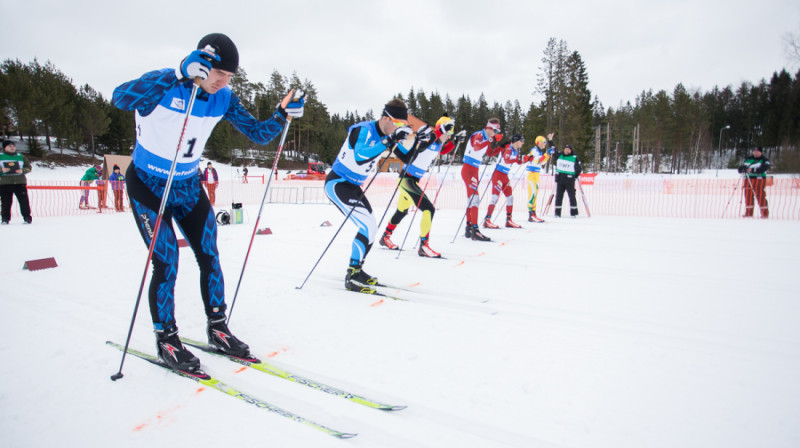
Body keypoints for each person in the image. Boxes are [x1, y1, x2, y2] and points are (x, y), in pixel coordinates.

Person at [112, 32, 305, 372]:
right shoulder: (165, 85)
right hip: (148, 185)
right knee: (167, 262)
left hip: (187, 186)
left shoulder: (223, 98)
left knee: (210, 256)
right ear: (202, 62)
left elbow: (258, 134)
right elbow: (119, 98)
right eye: (219, 74)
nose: (222, 82)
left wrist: (281, 114)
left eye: (229, 77)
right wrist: (175, 73)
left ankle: (218, 328)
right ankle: (167, 339)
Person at [325, 98, 413, 293]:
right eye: (398, 123)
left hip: (354, 186)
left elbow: (407, 158)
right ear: (385, 118)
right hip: (338, 183)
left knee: (371, 228)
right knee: (366, 225)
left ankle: (358, 270)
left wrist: (425, 140)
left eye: (403, 125)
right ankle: (352, 275)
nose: (399, 127)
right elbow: (360, 155)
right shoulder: (364, 130)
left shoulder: (389, 135)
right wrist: (389, 140)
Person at [380, 115, 459, 257]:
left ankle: (385, 237)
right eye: (448, 133)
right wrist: (440, 131)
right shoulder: (429, 138)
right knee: (428, 209)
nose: (449, 136)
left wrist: (455, 142)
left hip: (412, 180)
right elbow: (423, 145)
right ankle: (424, 246)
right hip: (406, 180)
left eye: (451, 133)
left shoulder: (438, 143)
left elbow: (442, 151)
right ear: (441, 129)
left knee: (402, 211)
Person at [461, 119, 504, 241]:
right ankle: (475, 229)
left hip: (474, 169)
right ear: (489, 128)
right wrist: (492, 140)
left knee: (471, 198)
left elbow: (490, 153)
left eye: (497, 131)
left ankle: (469, 227)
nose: (495, 133)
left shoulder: (487, 138)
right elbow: (476, 147)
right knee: (475, 198)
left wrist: (501, 147)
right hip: (468, 169)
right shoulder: (479, 135)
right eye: (495, 130)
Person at [482, 134, 526, 229]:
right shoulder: (508, 148)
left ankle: (509, 220)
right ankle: (487, 220)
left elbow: (517, 161)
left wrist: (525, 160)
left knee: (510, 197)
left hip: (505, 176)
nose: (523, 142)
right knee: (495, 197)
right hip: (498, 174)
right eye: (522, 140)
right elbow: (507, 160)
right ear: (516, 141)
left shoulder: (516, 150)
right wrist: (517, 159)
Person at [0, 140, 33, 224]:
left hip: (20, 183)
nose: (12, 148)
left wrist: (22, 170)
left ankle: (27, 218)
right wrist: (1, 170)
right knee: (6, 203)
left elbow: (29, 168)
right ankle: (5, 219)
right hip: (5, 184)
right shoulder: (1, 156)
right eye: (9, 146)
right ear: (5, 148)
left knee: (24, 202)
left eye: (13, 146)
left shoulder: (21, 156)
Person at [524, 133, 553, 223]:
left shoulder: (539, 151)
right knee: (532, 194)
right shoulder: (534, 150)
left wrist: (547, 156)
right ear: (539, 142)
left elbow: (543, 162)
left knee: (535, 195)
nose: (545, 143)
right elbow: (537, 161)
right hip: (532, 173)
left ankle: (534, 214)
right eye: (543, 142)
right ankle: (530, 214)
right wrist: (546, 154)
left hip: (536, 174)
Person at [738, 146, 771, 218]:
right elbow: (740, 169)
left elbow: (763, 168)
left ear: (761, 152)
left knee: (760, 196)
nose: (755, 153)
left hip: (759, 179)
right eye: (754, 151)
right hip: (747, 179)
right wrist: (742, 169)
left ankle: (764, 214)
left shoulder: (764, 160)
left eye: (757, 152)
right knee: (748, 196)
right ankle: (748, 213)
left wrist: (752, 170)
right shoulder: (748, 159)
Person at [552, 144, 582, 218]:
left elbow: (579, 168)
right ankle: (557, 213)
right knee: (559, 197)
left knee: (572, 197)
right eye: (565, 149)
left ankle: (574, 213)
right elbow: (553, 150)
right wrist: (550, 141)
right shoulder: (560, 155)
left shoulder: (574, 157)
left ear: (571, 150)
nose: (566, 150)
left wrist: (574, 176)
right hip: (560, 180)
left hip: (569, 180)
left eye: (568, 149)